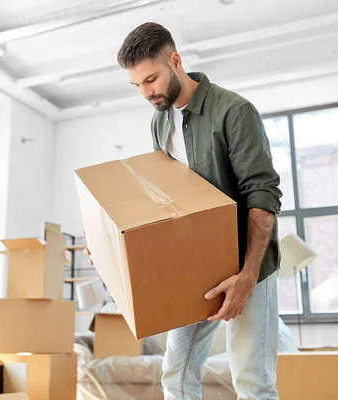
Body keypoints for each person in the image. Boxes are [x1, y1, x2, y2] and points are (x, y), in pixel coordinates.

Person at [86, 22, 283, 400]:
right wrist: (107, 242)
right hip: (198, 269)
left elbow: (262, 194)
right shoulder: (160, 123)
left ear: (175, 61)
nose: (146, 93)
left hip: (249, 270)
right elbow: (162, 203)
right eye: (138, 85)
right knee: (175, 374)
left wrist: (247, 274)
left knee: (253, 383)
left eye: (152, 80)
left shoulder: (234, 111)